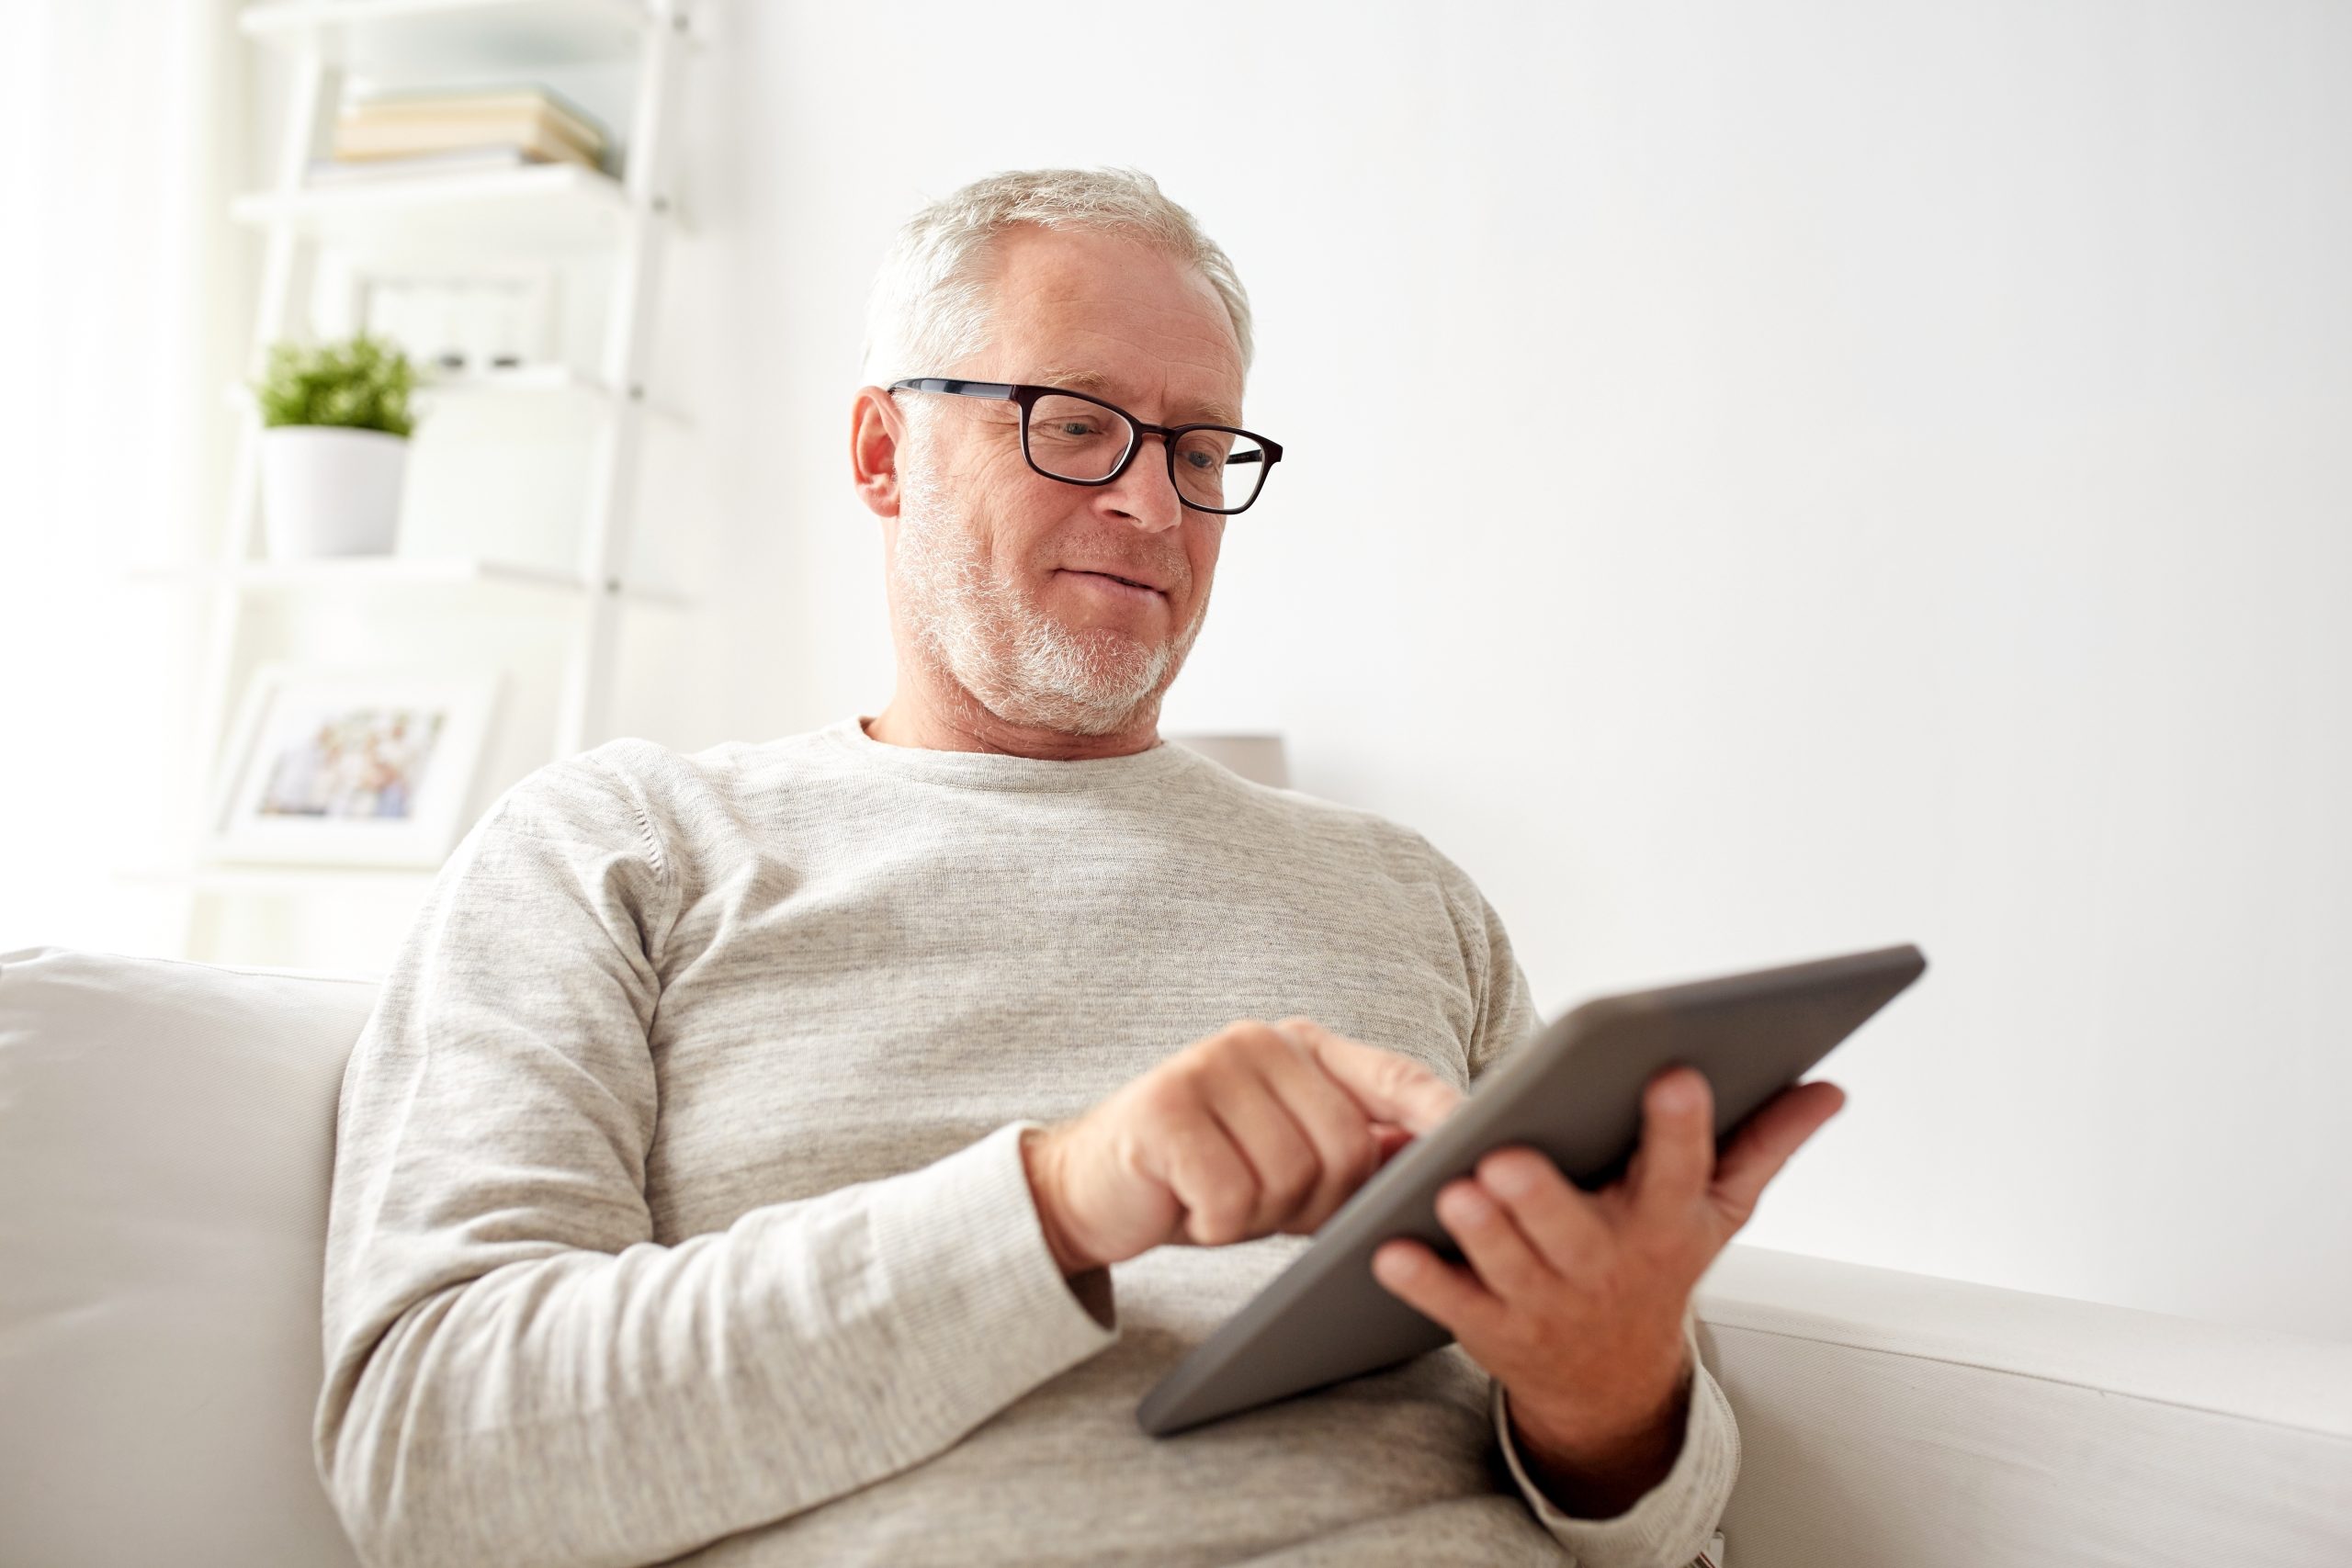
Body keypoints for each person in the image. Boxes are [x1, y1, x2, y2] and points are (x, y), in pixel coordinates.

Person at [312, 166, 1843, 1568]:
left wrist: (1609, 1403)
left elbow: (1673, 1543)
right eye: (1076, 422)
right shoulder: (621, 846)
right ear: (881, 449)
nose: (1151, 502)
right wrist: (1058, 1203)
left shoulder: (1411, 898)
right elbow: (436, 1466)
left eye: (1198, 448)